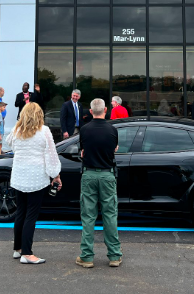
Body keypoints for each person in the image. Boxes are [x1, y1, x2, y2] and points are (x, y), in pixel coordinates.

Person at [9, 102, 61, 264]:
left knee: (20, 213)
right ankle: (27, 253)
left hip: (19, 176)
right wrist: (56, 175)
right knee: (31, 215)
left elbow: (10, 146)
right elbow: (51, 155)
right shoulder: (44, 131)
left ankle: (17, 249)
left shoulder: (16, 130)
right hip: (36, 177)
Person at [76, 98, 123, 268]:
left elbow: (82, 151)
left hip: (88, 174)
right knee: (110, 214)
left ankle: (87, 256)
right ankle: (114, 255)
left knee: (88, 216)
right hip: (107, 174)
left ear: (90, 111)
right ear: (105, 111)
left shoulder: (84, 130)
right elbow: (114, 149)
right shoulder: (112, 129)